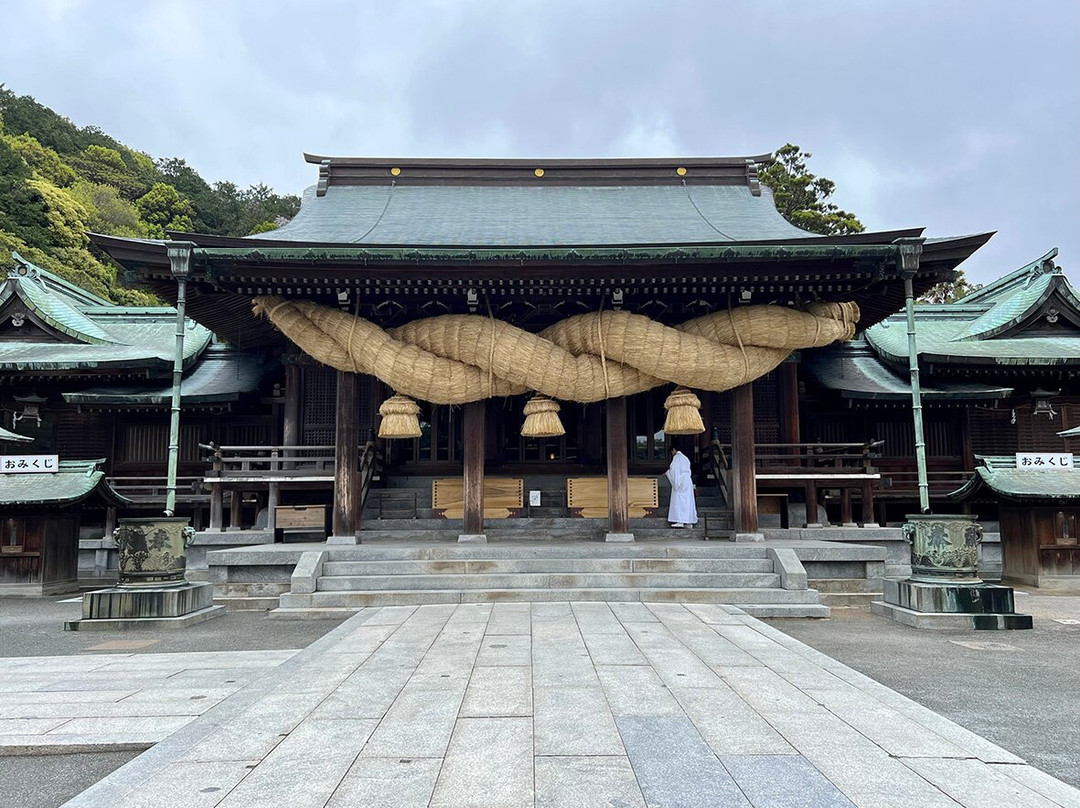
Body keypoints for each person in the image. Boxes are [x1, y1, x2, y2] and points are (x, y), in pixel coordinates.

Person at [664, 447, 697, 528]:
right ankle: (689, 521)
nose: (672, 454)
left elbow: (675, 471)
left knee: (679, 501)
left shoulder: (677, 458)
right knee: (688, 501)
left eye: (672, 452)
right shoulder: (685, 458)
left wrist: (669, 474)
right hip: (688, 480)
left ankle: (680, 521)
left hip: (681, 480)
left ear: (674, 450)